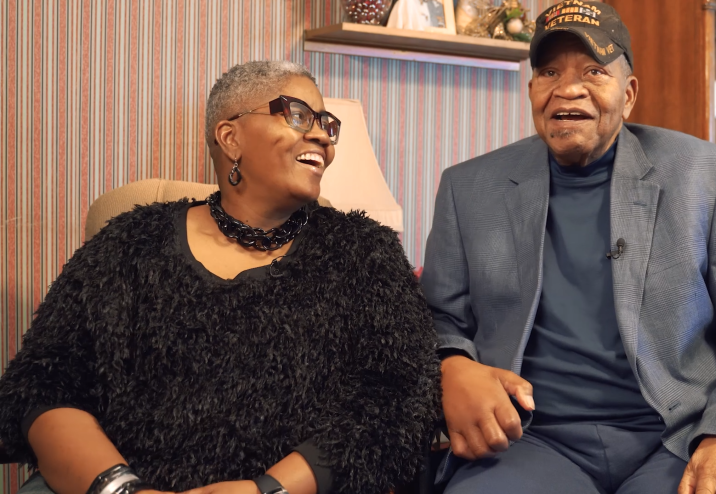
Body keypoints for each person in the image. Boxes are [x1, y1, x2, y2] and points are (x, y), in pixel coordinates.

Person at [420, 2, 716, 494]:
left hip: (678, 439)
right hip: (530, 442)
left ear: (628, 95)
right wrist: (452, 364)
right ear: (532, 91)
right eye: (548, 72)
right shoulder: (469, 187)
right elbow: (437, 321)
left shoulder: (703, 174)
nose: (567, 88)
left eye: (593, 71)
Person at [0, 60, 440, 494]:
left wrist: (267, 490)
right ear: (230, 138)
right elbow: (42, 383)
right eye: (298, 115)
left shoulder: (364, 252)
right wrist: (122, 489)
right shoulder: (131, 242)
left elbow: (401, 400)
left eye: (326, 123)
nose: (322, 136)